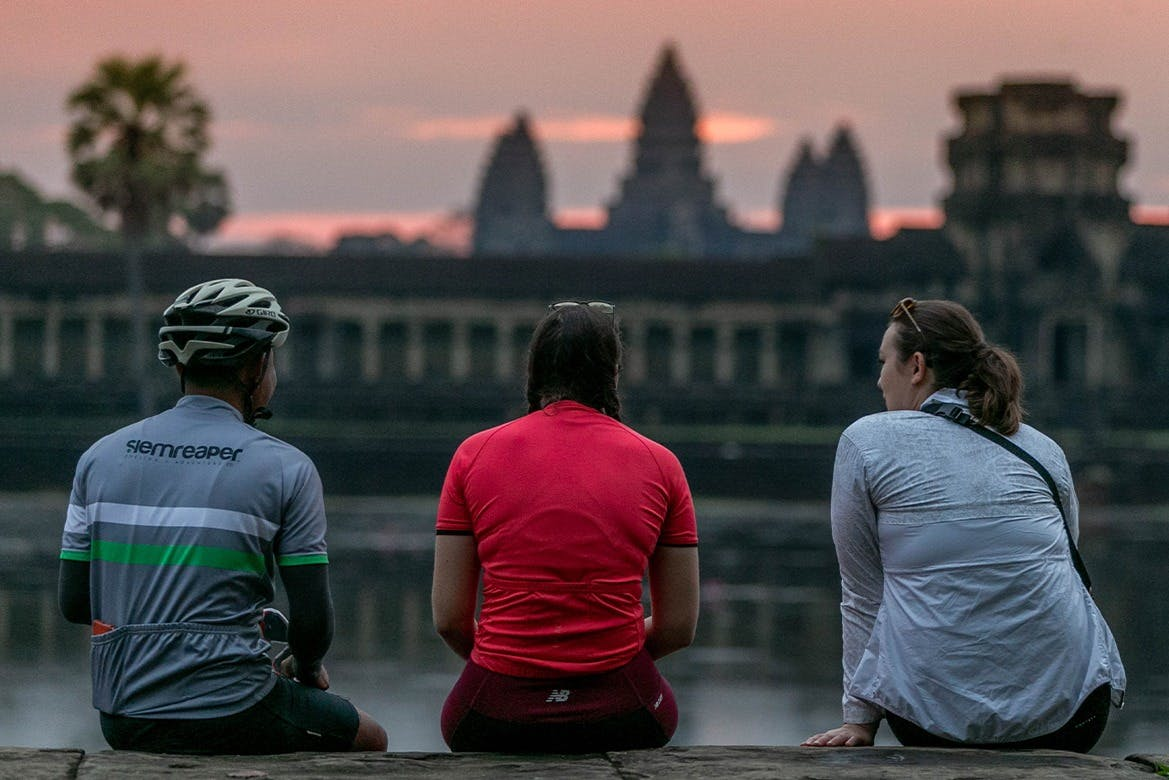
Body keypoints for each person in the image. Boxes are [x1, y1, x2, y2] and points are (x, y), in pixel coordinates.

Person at [58, 278, 387, 754]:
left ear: (179, 366)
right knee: (371, 738)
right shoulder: (285, 468)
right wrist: (307, 666)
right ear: (255, 367)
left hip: (122, 715)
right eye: (273, 359)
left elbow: (76, 603)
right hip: (236, 708)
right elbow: (312, 624)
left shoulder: (98, 458)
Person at [803, 298, 1125, 751]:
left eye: (883, 363)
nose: (878, 379)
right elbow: (1068, 566)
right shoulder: (1042, 448)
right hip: (1075, 715)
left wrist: (860, 721)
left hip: (933, 723)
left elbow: (863, 596)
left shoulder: (867, 441)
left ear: (916, 367)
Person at [432, 300, 700, 753]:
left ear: (534, 372)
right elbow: (678, 627)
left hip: (494, 710)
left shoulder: (472, 456)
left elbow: (449, 620)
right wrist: (602, 654)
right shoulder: (661, 464)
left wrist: (513, 656)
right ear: (613, 374)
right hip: (622, 709)